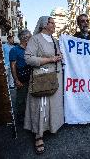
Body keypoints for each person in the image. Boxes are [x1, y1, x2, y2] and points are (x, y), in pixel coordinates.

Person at [24, 16, 64, 154]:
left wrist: (60, 57)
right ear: (43, 25)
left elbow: (58, 56)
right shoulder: (35, 39)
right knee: (41, 105)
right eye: (52, 23)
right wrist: (50, 59)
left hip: (55, 76)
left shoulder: (55, 40)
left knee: (52, 104)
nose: (54, 25)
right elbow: (28, 58)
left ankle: (50, 127)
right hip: (42, 77)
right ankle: (38, 135)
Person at [9, 29, 32, 125]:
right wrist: (16, 80)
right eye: (30, 37)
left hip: (32, 77)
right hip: (21, 77)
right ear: (25, 38)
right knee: (21, 99)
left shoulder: (31, 48)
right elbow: (13, 66)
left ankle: (30, 116)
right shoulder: (14, 50)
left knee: (31, 98)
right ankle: (20, 117)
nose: (32, 39)